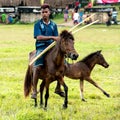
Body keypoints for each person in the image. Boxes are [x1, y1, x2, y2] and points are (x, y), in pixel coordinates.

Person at [32, 4, 64, 99]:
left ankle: (58, 88)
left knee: (63, 64)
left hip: (52, 47)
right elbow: (38, 37)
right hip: (41, 47)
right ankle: (34, 90)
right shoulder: (37, 24)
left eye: (46, 12)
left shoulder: (53, 25)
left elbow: (57, 38)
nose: (44, 14)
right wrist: (52, 37)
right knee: (37, 67)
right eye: (42, 12)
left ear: (49, 13)